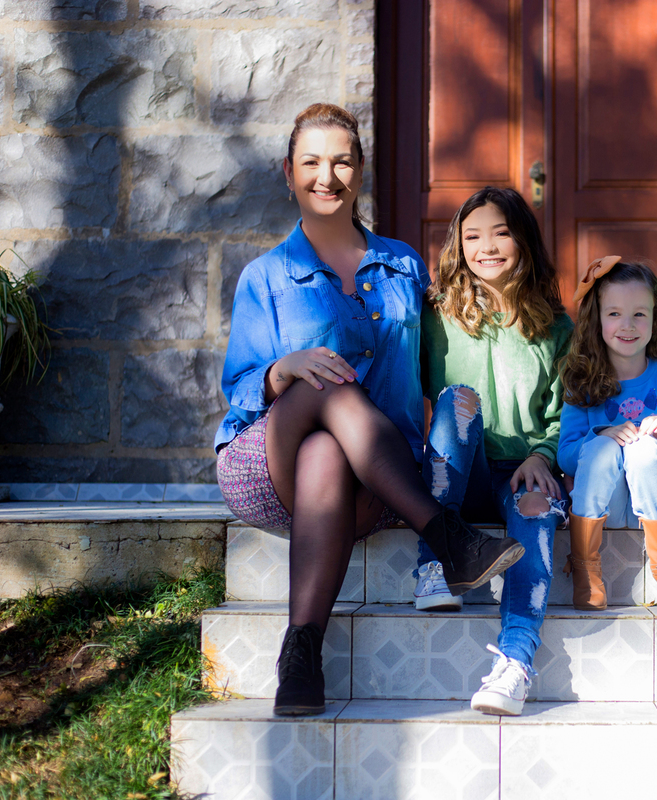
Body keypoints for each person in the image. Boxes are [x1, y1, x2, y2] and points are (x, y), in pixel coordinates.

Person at [215, 105, 523, 717]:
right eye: (311, 162)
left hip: (376, 479)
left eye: (342, 161)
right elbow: (241, 386)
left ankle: (299, 653)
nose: (326, 176)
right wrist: (284, 369)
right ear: (288, 172)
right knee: (323, 380)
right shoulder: (265, 276)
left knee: (329, 450)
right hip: (267, 465)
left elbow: (450, 348)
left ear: (360, 172)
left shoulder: (403, 264)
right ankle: (444, 533)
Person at [413, 186, 573, 716]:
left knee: (535, 506)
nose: (487, 246)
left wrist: (543, 456)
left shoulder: (555, 325)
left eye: (501, 232)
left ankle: (514, 663)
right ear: (458, 245)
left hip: (521, 475)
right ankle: (434, 560)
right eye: (473, 235)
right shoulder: (435, 316)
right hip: (458, 470)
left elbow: (565, 414)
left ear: (523, 240)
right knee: (457, 401)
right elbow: (408, 394)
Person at [558, 258, 657, 611]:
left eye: (640, 314)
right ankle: (586, 569)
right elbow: (566, 455)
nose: (628, 325)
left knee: (643, 450)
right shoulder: (583, 379)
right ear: (597, 319)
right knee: (602, 449)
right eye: (614, 314)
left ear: (655, 319)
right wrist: (603, 435)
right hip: (606, 500)